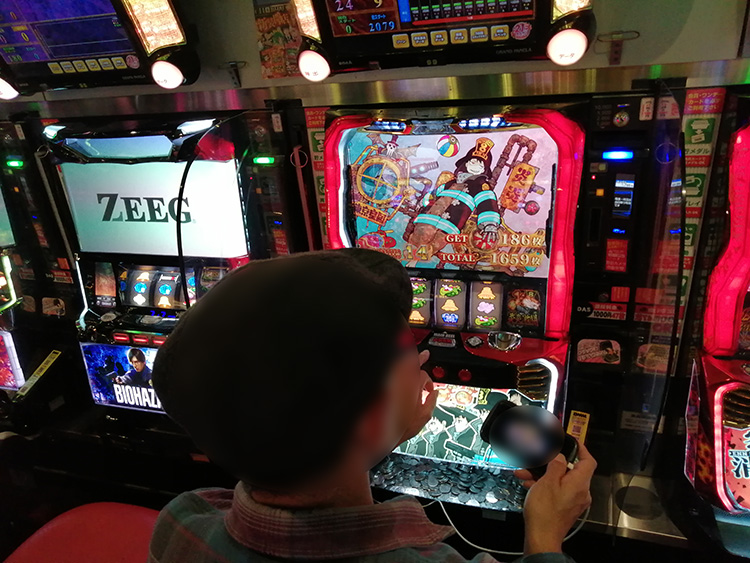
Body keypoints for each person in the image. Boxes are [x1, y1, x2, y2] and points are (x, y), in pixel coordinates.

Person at [149, 249, 595, 562]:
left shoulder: (183, 520)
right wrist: (545, 536)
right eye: (407, 351)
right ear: (370, 417)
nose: (422, 360)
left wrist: (387, 429)